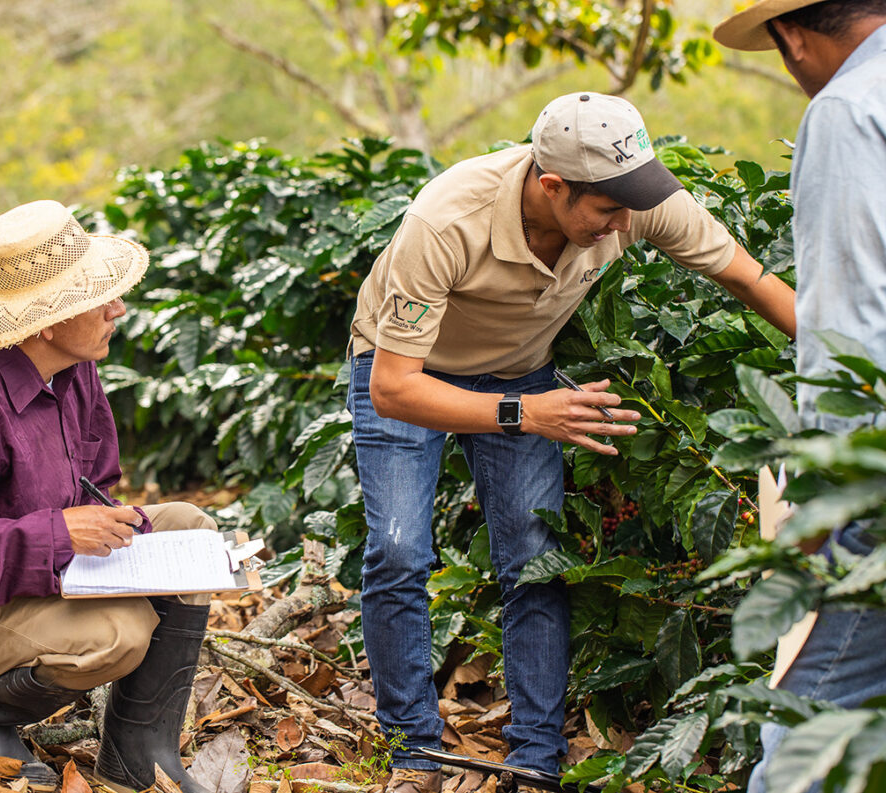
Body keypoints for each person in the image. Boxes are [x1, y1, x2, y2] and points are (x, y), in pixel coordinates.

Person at [347, 90, 796, 793]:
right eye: (607, 210)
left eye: (632, 206)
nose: (625, 223)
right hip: (409, 370)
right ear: (551, 185)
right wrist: (523, 414)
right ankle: (414, 753)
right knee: (399, 549)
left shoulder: (633, 196)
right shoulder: (447, 220)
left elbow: (748, 276)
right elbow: (393, 389)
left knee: (534, 559)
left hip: (522, 370)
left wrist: (848, 363)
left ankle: (534, 759)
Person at [0, 200, 216, 793]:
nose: (119, 308)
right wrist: (59, 536)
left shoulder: (72, 365)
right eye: (102, 298)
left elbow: (99, 476)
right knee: (117, 635)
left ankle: (139, 752)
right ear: (49, 319)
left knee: (191, 529)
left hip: (32, 575)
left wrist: (99, 533)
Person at [714, 2, 886, 792]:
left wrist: (822, 500)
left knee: (806, 734)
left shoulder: (848, 110)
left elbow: (850, 332)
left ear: (789, 35)